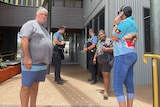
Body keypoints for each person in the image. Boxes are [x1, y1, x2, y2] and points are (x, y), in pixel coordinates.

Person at [20, 7, 53, 107]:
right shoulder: (30, 24)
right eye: (41, 14)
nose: (43, 16)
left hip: (41, 64)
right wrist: (27, 58)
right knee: (26, 87)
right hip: (31, 62)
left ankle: (33, 105)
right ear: (36, 15)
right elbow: (24, 40)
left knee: (35, 85)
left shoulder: (44, 29)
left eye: (45, 15)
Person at [111, 5, 138, 107]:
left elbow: (113, 36)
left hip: (122, 56)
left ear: (122, 13)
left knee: (117, 86)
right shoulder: (134, 24)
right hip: (132, 54)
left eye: (119, 12)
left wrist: (115, 23)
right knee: (129, 85)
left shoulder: (124, 23)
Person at [93, 30, 113, 100]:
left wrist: (106, 49)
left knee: (106, 75)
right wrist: (95, 58)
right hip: (100, 59)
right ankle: (107, 88)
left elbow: (114, 49)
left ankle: (106, 92)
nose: (100, 36)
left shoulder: (109, 40)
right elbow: (97, 51)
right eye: (99, 35)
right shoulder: (99, 42)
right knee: (104, 75)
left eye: (102, 34)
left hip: (106, 59)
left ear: (105, 34)